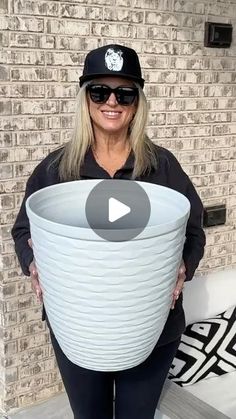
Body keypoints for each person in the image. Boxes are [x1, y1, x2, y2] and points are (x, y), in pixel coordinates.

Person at [12, 44, 206, 419]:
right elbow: (24, 229)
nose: (112, 102)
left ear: (137, 103)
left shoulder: (163, 167)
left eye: (125, 93)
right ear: (86, 99)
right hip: (79, 324)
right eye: (100, 91)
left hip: (152, 326)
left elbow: (194, 232)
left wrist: (184, 267)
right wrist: (33, 264)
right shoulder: (56, 169)